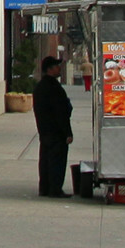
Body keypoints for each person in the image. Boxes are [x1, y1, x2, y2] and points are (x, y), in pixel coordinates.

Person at [34, 54, 74, 197]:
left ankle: (44, 187)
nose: (59, 69)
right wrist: (68, 133)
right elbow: (61, 112)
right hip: (57, 132)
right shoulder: (54, 88)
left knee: (45, 160)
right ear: (50, 69)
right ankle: (55, 188)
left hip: (44, 130)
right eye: (57, 67)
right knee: (57, 161)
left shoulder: (40, 87)